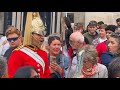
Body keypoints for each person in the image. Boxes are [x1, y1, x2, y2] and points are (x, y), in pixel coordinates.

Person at [8, 12, 50, 78]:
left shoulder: (43, 53)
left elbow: (46, 75)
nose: (42, 36)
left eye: (43, 33)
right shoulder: (18, 53)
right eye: (38, 34)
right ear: (31, 35)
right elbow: (12, 75)